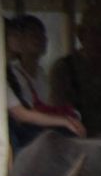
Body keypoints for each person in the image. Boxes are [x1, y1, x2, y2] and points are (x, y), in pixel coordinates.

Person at [5, 14, 84, 155]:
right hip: (23, 132)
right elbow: (20, 114)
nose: (40, 40)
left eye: (42, 35)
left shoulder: (42, 73)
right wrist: (64, 121)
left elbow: (51, 103)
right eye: (33, 35)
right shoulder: (10, 74)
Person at [49, 8, 101, 138]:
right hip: (77, 143)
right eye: (96, 32)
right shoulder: (65, 69)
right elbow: (58, 113)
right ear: (81, 34)